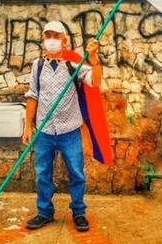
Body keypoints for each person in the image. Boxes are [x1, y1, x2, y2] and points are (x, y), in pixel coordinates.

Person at [23, 21, 111, 233]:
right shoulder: (38, 66)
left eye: (56, 36)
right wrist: (27, 127)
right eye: (48, 36)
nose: (52, 40)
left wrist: (94, 59)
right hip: (44, 131)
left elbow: (95, 81)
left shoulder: (74, 66)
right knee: (42, 174)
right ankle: (44, 212)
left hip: (69, 131)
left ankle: (78, 212)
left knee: (76, 173)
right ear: (43, 40)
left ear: (64, 40)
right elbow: (33, 95)